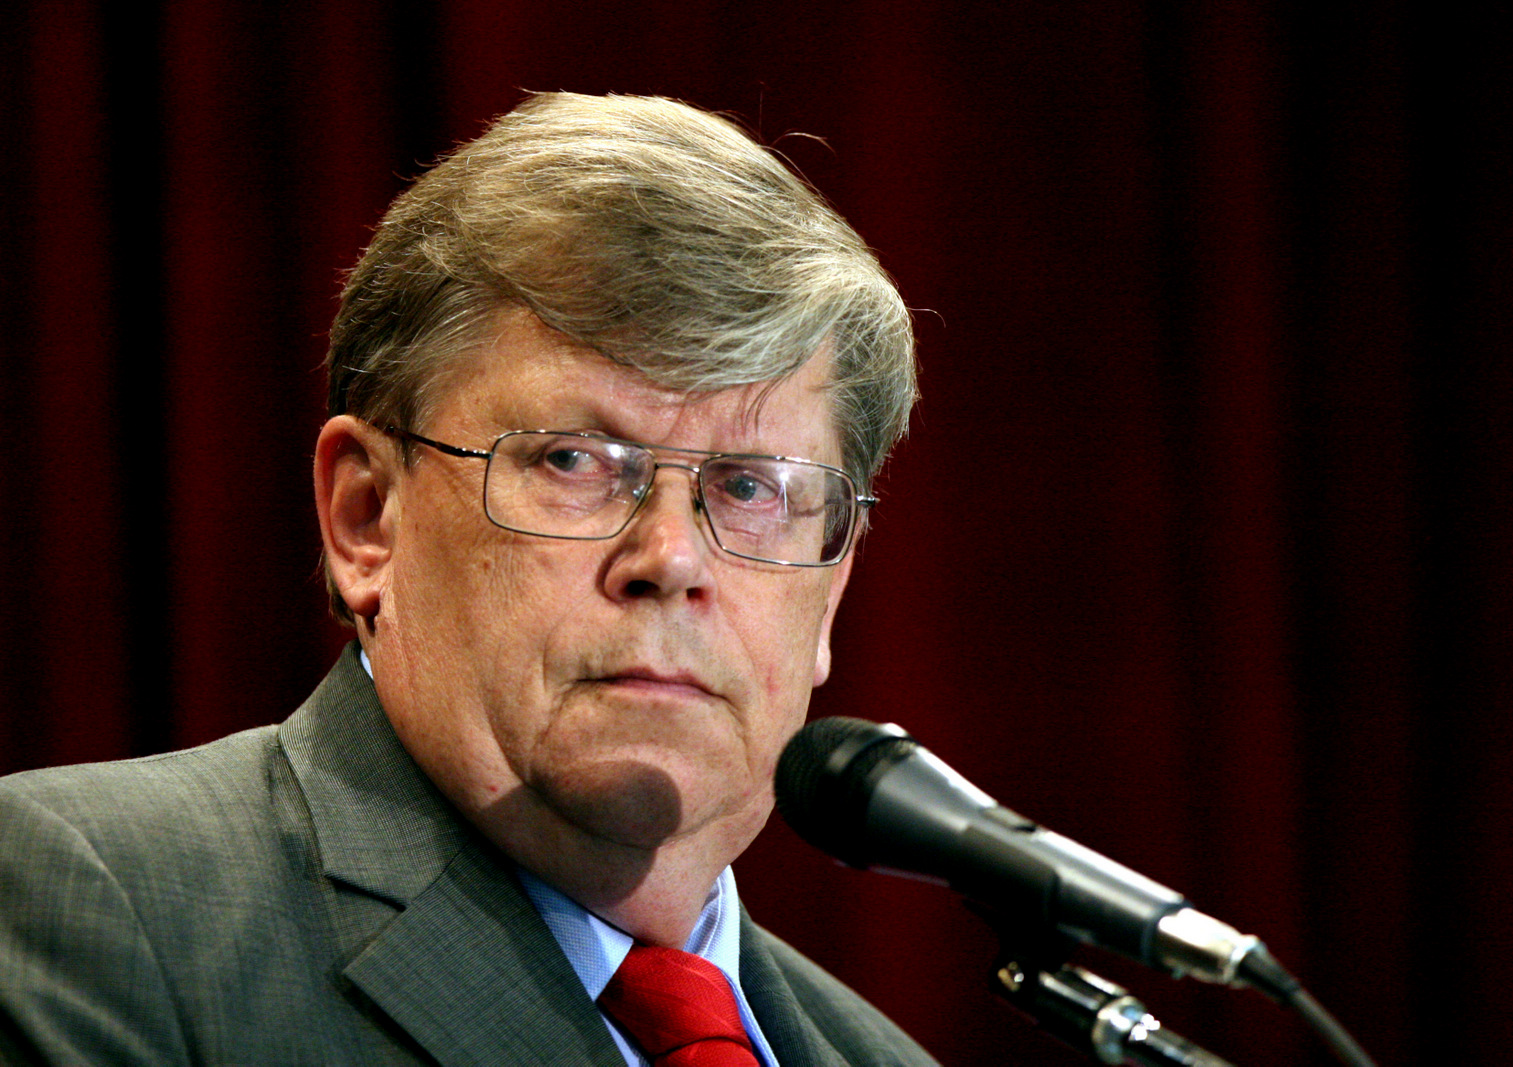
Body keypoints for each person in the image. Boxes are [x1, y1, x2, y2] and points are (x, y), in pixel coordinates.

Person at [0, 92, 934, 1065]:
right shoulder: (97, 904)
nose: (670, 558)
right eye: (574, 459)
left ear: (830, 587)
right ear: (366, 516)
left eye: (748, 486)